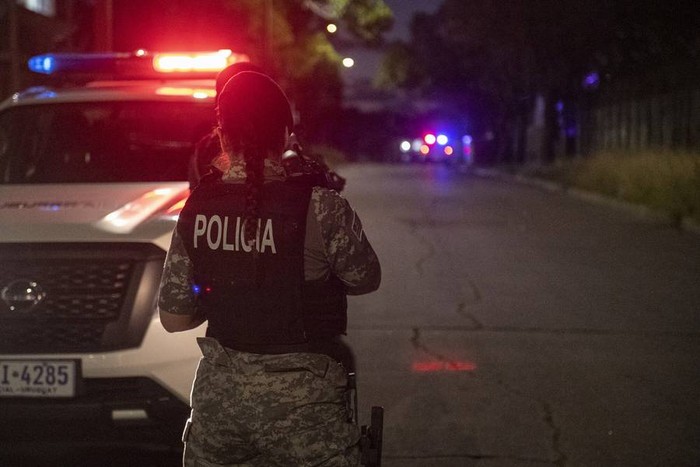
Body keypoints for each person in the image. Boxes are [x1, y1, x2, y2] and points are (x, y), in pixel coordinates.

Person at [158, 71, 381, 466]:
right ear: (285, 136)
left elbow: (174, 318)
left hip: (219, 408)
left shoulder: (197, 206)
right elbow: (365, 278)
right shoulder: (321, 205)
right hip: (305, 411)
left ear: (223, 134)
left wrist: (226, 292)